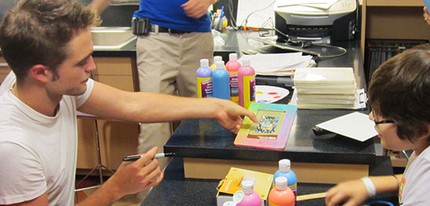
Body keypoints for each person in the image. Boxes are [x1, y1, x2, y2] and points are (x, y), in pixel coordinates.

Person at [0, 0, 256, 205]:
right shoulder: (13, 147)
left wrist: (216, 107)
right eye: (81, 62)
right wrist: (116, 188)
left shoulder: (44, 85)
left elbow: (132, 104)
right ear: (41, 72)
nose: (93, 66)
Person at [324, 45, 430, 206]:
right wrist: (370, 185)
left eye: (381, 117)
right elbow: (417, 179)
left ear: (421, 129)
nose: (371, 118)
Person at [90, 0, 217, 172]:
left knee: (204, 121)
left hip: (198, 40)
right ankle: (151, 193)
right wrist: (87, 17)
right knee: (153, 126)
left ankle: (205, 184)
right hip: (155, 39)